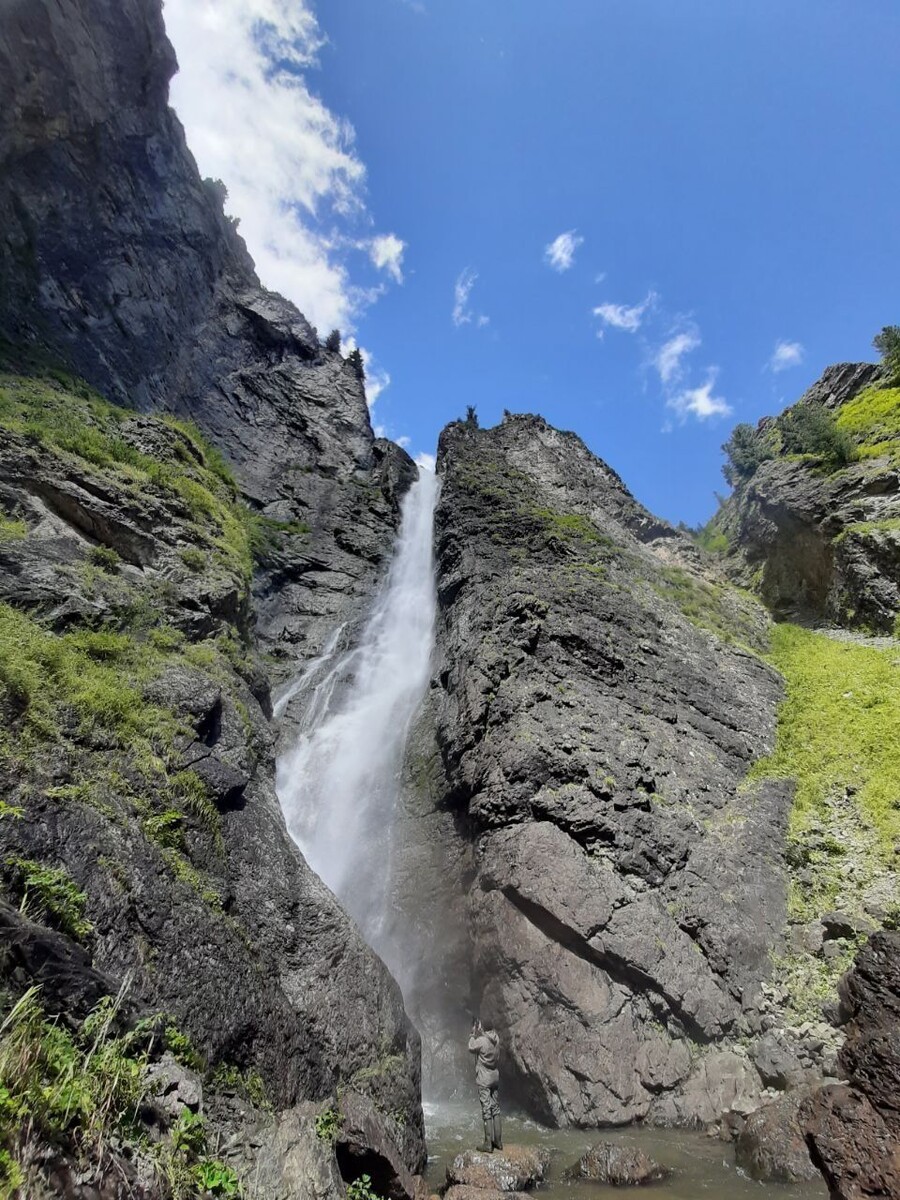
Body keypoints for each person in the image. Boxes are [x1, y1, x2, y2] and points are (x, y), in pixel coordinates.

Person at [468, 1016, 502, 1152]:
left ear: (483, 1027)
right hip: (495, 1076)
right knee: (496, 1109)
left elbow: (471, 1047)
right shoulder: (496, 1039)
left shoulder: (481, 1041)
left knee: (486, 1110)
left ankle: (488, 1144)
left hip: (484, 1078)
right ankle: (498, 1142)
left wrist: (472, 1033)